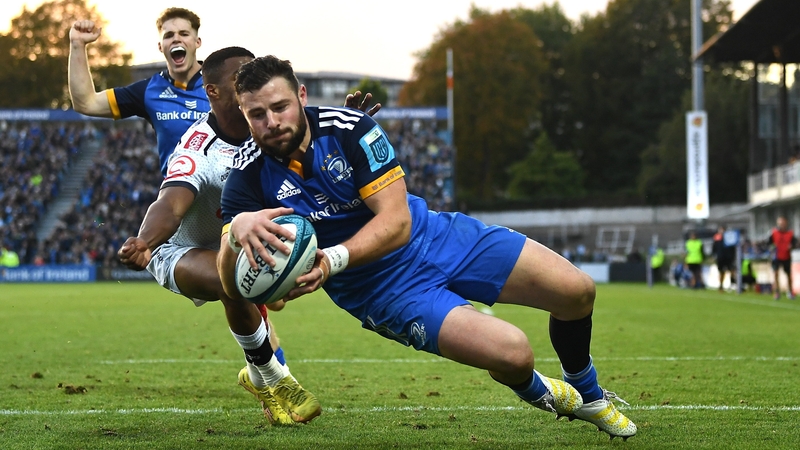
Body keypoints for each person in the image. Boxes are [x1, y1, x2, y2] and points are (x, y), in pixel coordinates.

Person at [217, 56, 637, 440]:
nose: (271, 121)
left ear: (301, 96)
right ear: (244, 114)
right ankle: (542, 391)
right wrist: (235, 230)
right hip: (383, 292)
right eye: (257, 114)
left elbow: (396, 223)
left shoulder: (350, 128)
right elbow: (231, 284)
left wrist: (331, 261)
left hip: (435, 237)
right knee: (514, 355)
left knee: (577, 290)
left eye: (280, 107)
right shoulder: (246, 173)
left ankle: (590, 392)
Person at [116, 47, 381, 424]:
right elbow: (171, 204)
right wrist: (145, 240)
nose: (251, 82)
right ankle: (275, 378)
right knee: (235, 282)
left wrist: (344, 130)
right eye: (240, 77)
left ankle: (257, 378)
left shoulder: (267, 136)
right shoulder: (199, 148)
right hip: (180, 248)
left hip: (244, 240)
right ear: (215, 92)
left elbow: (310, 148)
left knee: (262, 291)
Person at [68, 8, 207, 176]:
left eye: (184, 34)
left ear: (197, 42)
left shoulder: (223, 82)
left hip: (229, 199)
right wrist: (77, 45)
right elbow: (86, 103)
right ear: (160, 46)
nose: (176, 39)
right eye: (168, 35)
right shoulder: (149, 90)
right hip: (179, 198)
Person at [765, 216, 797, 300]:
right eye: (780, 223)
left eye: (783, 223)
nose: (781, 225)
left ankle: (790, 292)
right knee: (775, 274)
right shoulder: (773, 232)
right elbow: (768, 243)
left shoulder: (790, 233)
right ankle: (776, 292)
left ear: (786, 223)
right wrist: (772, 248)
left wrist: (792, 246)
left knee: (788, 275)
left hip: (786, 256)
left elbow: (795, 243)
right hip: (776, 256)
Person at [712, 225, 736, 292]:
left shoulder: (729, 238)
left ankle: (732, 283)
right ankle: (721, 285)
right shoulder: (717, 238)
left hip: (728, 257)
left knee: (732, 270)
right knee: (721, 272)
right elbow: (714, 248)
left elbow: (732, 248)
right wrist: (714, 255)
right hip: (720, 257)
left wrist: (733, 256)